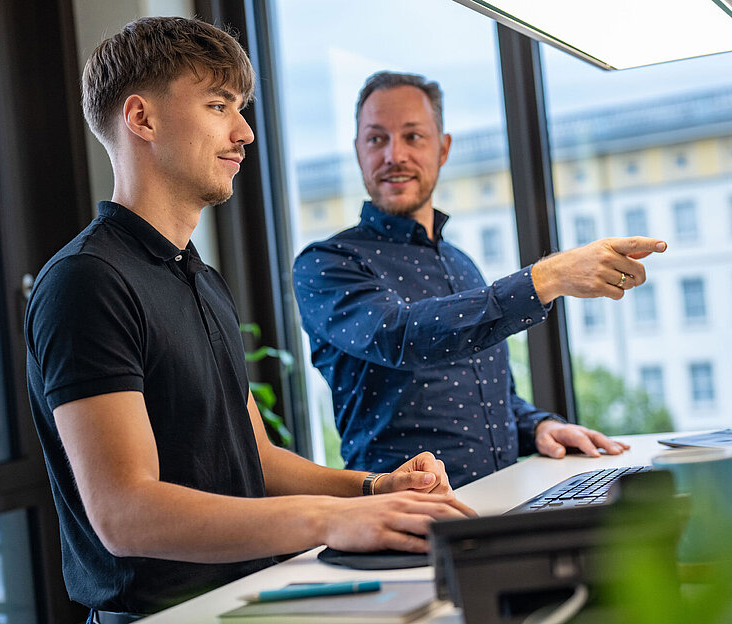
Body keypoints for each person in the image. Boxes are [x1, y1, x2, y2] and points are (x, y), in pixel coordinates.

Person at [24, 21, 473, 621]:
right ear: (142, 118)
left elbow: (254, 460)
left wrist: (373, 489)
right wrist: (338, 519)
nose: (244, 133)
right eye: (218, 106)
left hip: (243, 600)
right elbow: (124, 514)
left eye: (240, 109)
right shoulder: (87, 280)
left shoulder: (200, 279)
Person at [293, 71, 667, 487]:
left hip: (502, 502)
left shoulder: (461, 262)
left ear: (443, 148)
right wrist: (545, 279)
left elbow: (491, 393)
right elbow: (400, 334)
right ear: (358, 150)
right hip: (401, 516)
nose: (393, 155)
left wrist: (537, 426)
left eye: (413, 137)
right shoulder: (326, 263)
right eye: (376, 139)